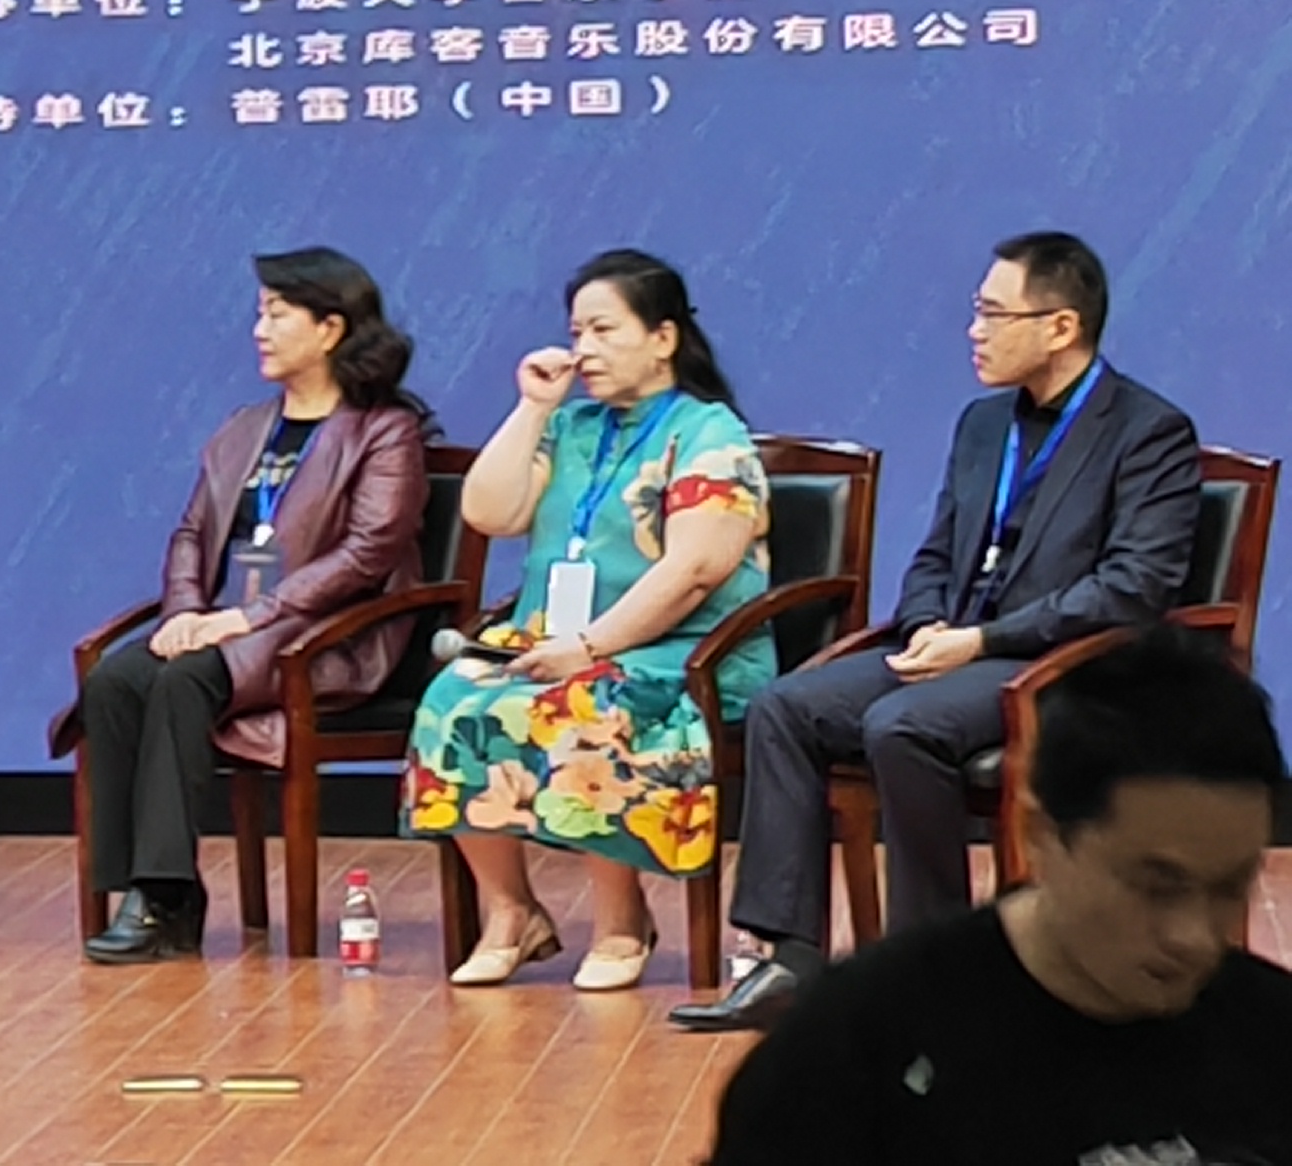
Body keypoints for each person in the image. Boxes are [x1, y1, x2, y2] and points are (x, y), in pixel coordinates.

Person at [679, 231, 1204, 1034]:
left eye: (993, 313)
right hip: (959, 649)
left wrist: (983, 642)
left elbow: (1132, 588)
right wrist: (927, 623)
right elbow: (936, 551)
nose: (974, 331)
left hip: (1065, 663)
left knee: (903, 725)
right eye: (976, 311)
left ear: (1061, 327)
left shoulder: (1148, 431)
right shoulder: (984, 425)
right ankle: (790, 960)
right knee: (788, 706)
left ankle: (937, 968)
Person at [707, 625, 1292, 1162]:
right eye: (1155, 887)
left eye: (1228, 887)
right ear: (1039, 833)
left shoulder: (1272, 1037)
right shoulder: (852, 1052)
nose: (1193, 937)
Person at [403, 249, 771, 993]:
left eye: (604, 330)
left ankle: (620, 922)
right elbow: (490, 512)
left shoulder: (710, 434)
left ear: (663, 338)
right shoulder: (571, 426)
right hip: (555, 637)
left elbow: (696, 569)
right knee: (453, 698)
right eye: (577, 332)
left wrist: (592, 645)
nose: (584, 350)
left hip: (683, 649)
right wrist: (533, 407)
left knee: (588, 702)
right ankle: (513, 913)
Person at [73, 249, 434, 963]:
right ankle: (138, 892)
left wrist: (250, 618)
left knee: (185, 679)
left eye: (277, 314)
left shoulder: (383, 431)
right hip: (227, 629)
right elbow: (192, 533)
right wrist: (183, 611)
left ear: (330, 329)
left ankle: (165, 896)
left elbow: (367, 553)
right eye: (260, 313)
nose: (258, 330)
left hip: (324, 636)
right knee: (116, 679)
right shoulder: (246, 427)